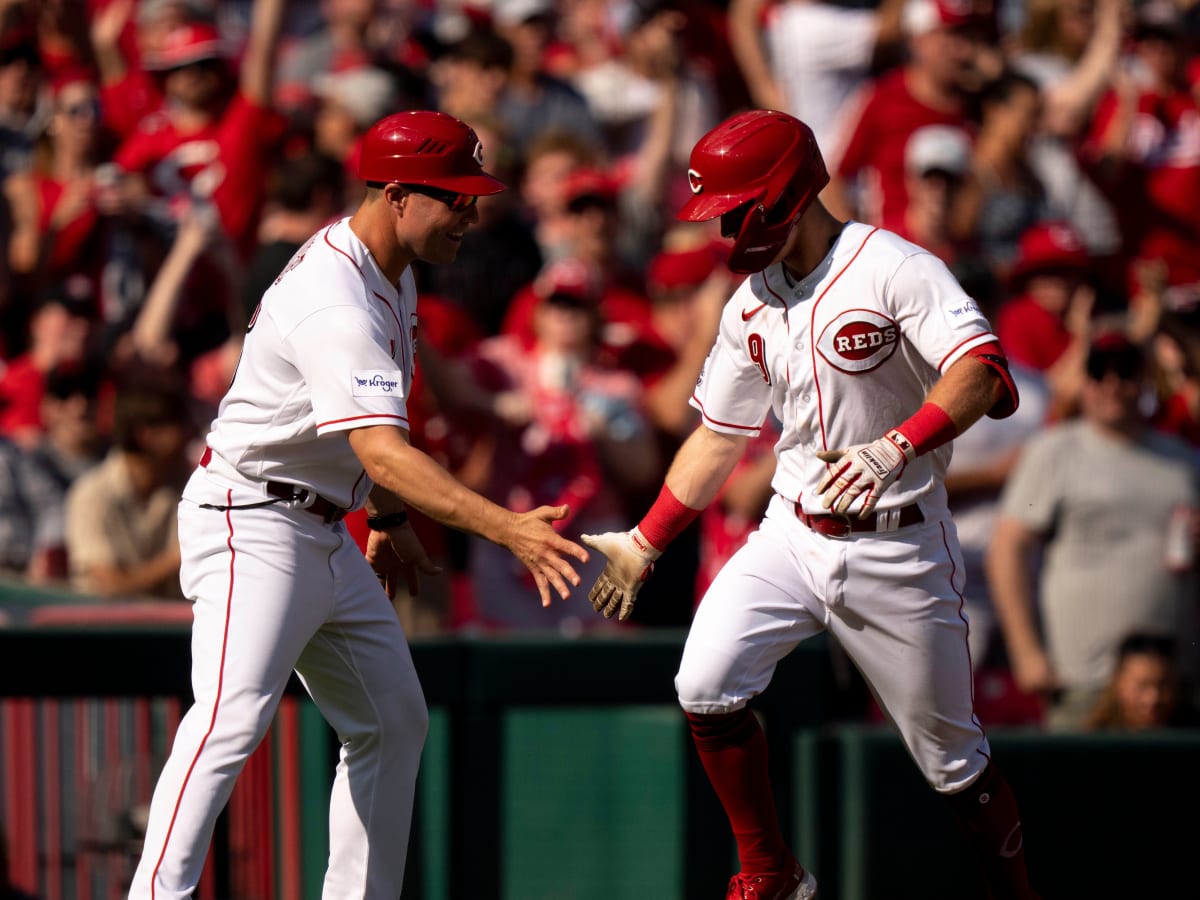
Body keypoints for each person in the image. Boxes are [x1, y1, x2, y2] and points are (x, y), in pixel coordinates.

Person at [127, 109, 588, 898]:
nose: (471, 216)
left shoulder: (392, 268)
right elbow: (380, 448)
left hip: (318, 526)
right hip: (253, 519)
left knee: (392, 721)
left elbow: (350, 436)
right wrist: (506, 527)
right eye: (457, 199)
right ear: (401, 193)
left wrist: (384, 514)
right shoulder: (336, 295)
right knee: (228, 722)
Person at [581, 109, 1040, 899]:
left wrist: (896, 444)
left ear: (786, 192)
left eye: (734, 208)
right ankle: (773, 874)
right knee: (705, 683)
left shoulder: (891, 263)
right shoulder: (749, 303)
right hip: (791, 531)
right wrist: (648, 539)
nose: (725, 226)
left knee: (952, 762)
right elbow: (718, 439)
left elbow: (985, 372)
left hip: (899, 540)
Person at [987, 333, 1200, 732]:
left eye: (1126, 373)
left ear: (1146, 382)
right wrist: (1027, 652)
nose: (1112, 385)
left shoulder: (1182, 458)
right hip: (1081, 678)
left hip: (1170, 681)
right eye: (1100, 373)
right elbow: (1008, 550)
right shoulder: (1054, 450)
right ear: (1085, 382)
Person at [1083, 631, 1200, 731]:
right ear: (1118, 683)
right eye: (1142, 686)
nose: (1153, 699)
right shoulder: (1095, 741)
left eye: (1164, 685)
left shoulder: (1193, 733)